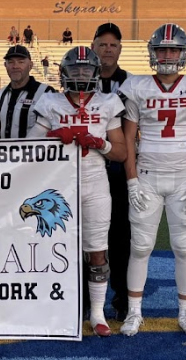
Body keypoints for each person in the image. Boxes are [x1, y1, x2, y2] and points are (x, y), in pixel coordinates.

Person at [120, 23, 186, 337]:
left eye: (172, 49)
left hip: (183, 178)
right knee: (141, 247)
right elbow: (129, 137)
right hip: (147, 176)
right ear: (153, 53)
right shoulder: (138, 86)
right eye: (162, 49)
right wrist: (132, 180)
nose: (166, 55)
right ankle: (134, 312)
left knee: (184, 247)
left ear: (182, 53)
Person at [30, 46, 127, 336]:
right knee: (54, 248)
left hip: (96, 182)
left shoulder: (108, 102)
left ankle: (97, 313)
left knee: (97, 250)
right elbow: (29, 148)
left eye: (86, 70)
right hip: (58, 186)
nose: (81, 75)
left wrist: (100, 144)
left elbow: (121, 152)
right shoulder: (50, 102)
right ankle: (58, 307)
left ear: (96, 73)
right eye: (75, 70)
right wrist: (51, 136)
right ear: (64, 73)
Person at [91, 22, 132, 320]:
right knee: (86, 236)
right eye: (102, 44)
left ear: (119, 49)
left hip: (118, 167)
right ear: (93, 47)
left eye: (113, 45)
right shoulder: (78, 76)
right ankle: (82, 298)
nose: (107, 49)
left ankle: (122, 297)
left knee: (120, 236)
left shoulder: (131, 83)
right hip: (86, 168)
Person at [0, 45, 55, 139]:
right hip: (5, 153)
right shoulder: (1, 93)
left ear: (30, 65)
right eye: (10, 62)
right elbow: (1, 128)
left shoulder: (46, 93)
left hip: (36, 153)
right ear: (5, 65)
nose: (15, 66)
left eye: (21, 62)